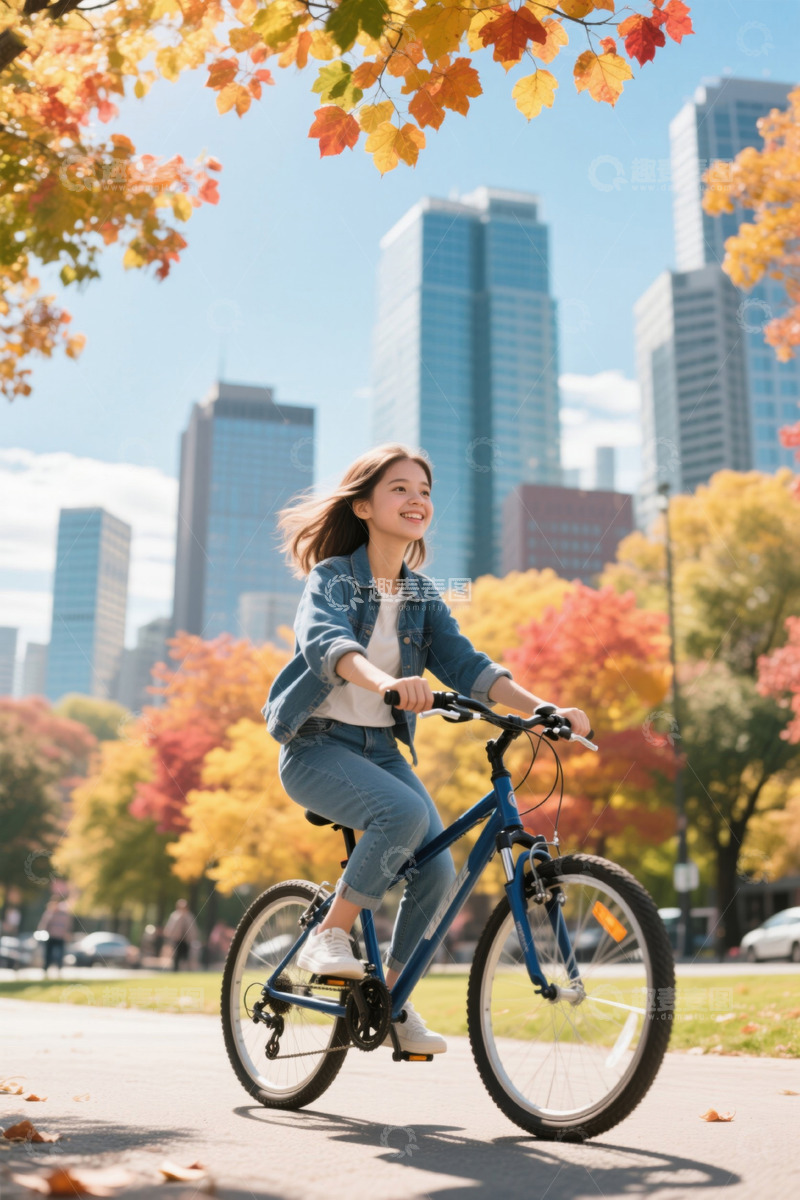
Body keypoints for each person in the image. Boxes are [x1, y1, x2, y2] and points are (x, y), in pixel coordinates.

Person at [265, 443, 591, 1057]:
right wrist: (386, 682)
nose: (416, 499)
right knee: (406, 816)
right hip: (315, 746)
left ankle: (390, 999)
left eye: (424, 490)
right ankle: (328, 937)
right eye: (399, 489)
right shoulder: (333, 578)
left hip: (380, 752)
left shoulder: (421, 595)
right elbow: (325, 642)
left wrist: (540, 708)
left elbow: (466, 664)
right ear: (362, 506)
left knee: (438, 865)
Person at [37, 898, 73, 975]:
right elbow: (44, 925)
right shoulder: (49, 913)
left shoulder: (64, 914)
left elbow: (67, 925)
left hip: (60, 937)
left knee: (60, 954)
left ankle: (59, 968)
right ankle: (46, 968)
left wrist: (67, 933)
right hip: (51, 936)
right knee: (48, 954)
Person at [164, 899, 195, 972]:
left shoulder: (189, 916)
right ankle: (176, 969)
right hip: (177, 939)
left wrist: (192, 937)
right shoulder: (174, 916)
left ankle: (187, 969)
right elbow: (170, 927)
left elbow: (192, 929)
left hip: (186, 940)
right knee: (176, 955)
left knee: (186, 955)